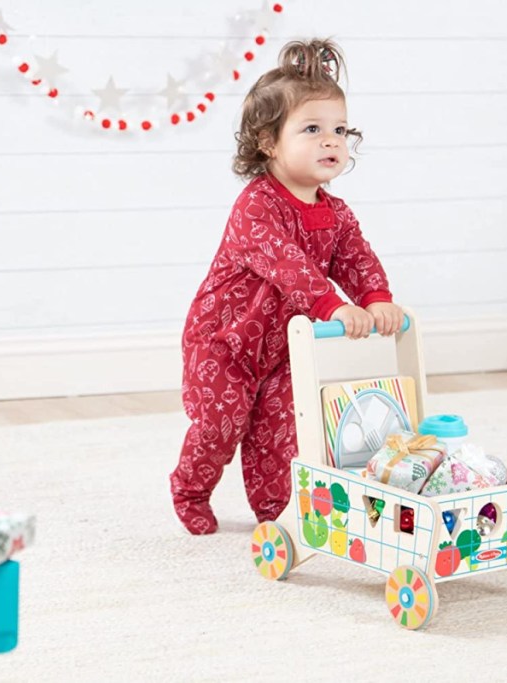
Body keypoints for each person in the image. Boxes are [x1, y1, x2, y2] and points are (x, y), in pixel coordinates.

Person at [169, 38, 404, 535]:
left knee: (283, 430)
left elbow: (356, 258)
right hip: (226, 341)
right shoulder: (257, 205)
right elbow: (287, 264)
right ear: (268, 142)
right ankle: (190, 487)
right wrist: (331, 306)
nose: (330, 141)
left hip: (282, 349)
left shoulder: (336, 213)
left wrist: (375, 298)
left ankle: (276, 512)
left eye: (339, 130)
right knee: (222, 424)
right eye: (312, 129)